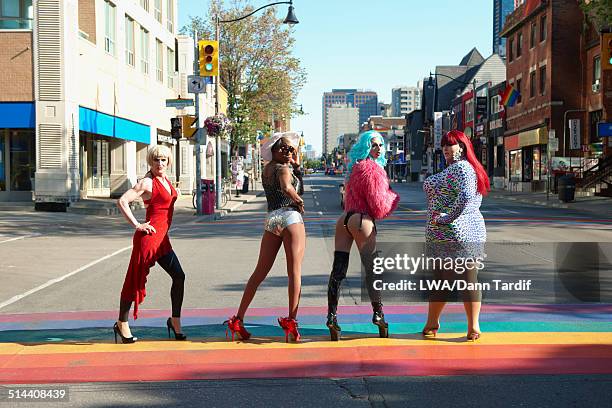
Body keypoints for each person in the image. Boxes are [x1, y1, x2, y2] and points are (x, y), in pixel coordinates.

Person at [225, 133, 306, 342]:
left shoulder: (268, 169)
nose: (289, 152)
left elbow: (285, 184)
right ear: (274, 150)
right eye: (285, 149)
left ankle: (238, 319)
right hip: (289, 216)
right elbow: (288, 187)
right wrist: (298, 201)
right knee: (294, 273)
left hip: (271, 219)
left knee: (259, 273)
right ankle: (292, 322)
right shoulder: (283, 169)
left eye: (292, 150)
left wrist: (296, 166)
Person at [326, 130, 400, 341]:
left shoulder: (354, 168)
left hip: (345, 219)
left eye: (379, 145)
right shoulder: (374, 170)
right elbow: (379, 207)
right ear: (366, 147)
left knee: (338, 270)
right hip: (362, 220)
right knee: (372, 270)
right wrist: (393, 198)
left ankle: (332, 317)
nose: (377, 148)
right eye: (373, 145)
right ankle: (378, 314)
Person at [114, 145, 187, 344]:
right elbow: (122, 201)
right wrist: (137, 225)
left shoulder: (166, 181)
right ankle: (122, 322)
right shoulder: (147, 182)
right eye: (156, 160)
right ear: (151, 162)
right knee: (134, 280)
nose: (160, 163)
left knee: (179, 276)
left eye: (163, 160)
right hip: (148, 239)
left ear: (169, 162)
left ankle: (175, 320)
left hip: (163, 240)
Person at [422, 130, 489, 341]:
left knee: (444, 280)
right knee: (466, 280)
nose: (445, 149)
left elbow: (466, 196)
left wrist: (446, 217)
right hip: (464, 231)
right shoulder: (468, 169)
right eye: (443, 145)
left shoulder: (461, 168)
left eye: (450, 144)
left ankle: (437, 323)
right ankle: (467, 326)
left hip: (454, 233)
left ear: (461, 146)